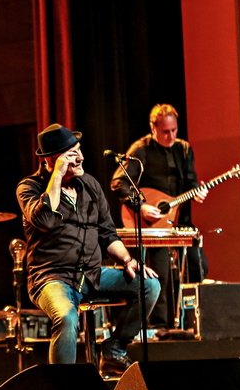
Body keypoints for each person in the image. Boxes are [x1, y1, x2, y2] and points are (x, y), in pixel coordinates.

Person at [17, 123, 160, 376]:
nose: (81, 157)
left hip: (91, 274)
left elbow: (107, 233)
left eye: (79, 150)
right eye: (72, 154)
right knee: (67, 317)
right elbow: (45, 220)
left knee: (149, 285)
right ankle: (64, 388)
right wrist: (57, 175)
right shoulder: (30, 188)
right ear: (51, 160)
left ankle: (114, 351)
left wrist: (127, 260)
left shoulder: (90, 185)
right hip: (52, 277)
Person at [111, 103, 208, 328]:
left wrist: (197, 191)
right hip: (152, 225)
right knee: (160, 273)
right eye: (165, 131)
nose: (171, 136)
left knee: (198, 265)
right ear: (153, 128)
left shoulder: (184, 149)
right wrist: (141, 206)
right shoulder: (140, 149)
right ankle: (159, 325)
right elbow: (118, 182)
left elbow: (190, 181)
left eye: (174, 130)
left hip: (179, 220)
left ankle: (192, 322)